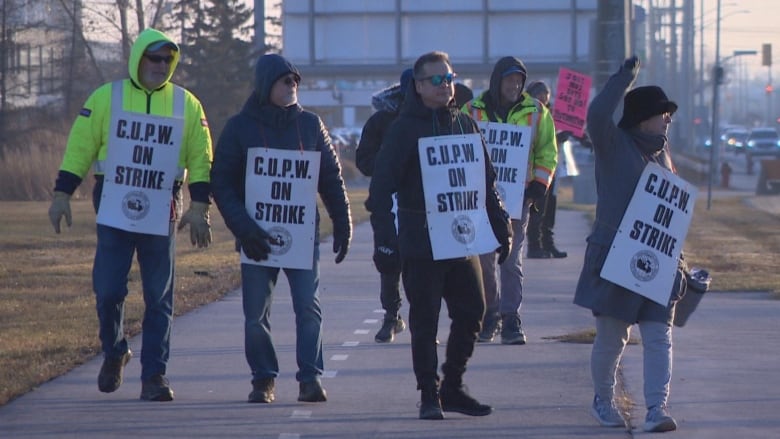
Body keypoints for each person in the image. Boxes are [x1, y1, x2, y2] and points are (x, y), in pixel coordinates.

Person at [47, 28, 213, 402]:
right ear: (138, 58)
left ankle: (154, 375)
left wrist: (201, 205)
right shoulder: (107, 97)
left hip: (164, 204)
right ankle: (115, 348)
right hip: (113, 200)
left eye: (167, 59)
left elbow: (201, 157)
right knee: (108, 289)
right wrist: (62, 193)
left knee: (159, 296)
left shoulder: (186, 104)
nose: (160, 65)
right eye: (153, 58)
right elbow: (80, 146)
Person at [366, 50, 512, 420]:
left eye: (449, 78)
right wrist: (384, 239)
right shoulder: (404, 129)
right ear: (418, 86)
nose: (446, 85)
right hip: (421, 241)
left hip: (462, 241)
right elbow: (380, 189)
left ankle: (453, 386)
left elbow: (486, 182)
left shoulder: (466, 125)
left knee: (473, 311)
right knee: (425, 320)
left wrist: (501, 225)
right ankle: (429, 393)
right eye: (436, 79)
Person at [210, 53, 352, 404]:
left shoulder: (310, 125)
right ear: (265, 84)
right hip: (256, 236)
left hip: (301, 236)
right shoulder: (239, 127)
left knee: (308, 306)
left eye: (295, 81)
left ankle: (310, 378)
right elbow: (222, 183)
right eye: (284, 80)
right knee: (256, 314)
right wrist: (244, 230)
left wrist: (343, 221)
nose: (292, 87)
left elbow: (331, 179)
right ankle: (263, 379)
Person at [575, 56, 682, 433]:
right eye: (661, 112)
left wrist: (680, 262)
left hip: (658, 260)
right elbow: (596, 115)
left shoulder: (664, 154)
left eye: (669, 112)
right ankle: (603, 400)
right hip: (614, 256)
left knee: (658, 336)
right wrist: (624, 78)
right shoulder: (613, 143)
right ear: (640, 117)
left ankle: (657, 409)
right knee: (613, 337)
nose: (667, 118)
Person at [462, 57, 558, 344]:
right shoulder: (471, 112)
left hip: (518, 200)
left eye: (519, 81)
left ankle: (511, 318)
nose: (515, 86)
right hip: (480, 201)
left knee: (511, 260)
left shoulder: (537, 112)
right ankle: (489, 316)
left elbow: (547, 152)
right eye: (509, 80)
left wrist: (539, 186)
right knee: (484, 261)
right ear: (497, 81)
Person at [355, 68, 413, 343]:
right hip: (386, 202)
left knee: (423, 263)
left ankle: (425, 320)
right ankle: (392, 316)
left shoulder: (439, 119)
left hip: (424, 205)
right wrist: (390, 161)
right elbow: (363, 160)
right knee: (388, 259)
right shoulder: (381, 122)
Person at [525, 80, 575, 259]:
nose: (543, 96)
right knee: (537, 209)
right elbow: (538, 138)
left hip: (554, 168)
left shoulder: (554, 113)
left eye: (545, 93)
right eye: (538, 93)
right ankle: (534, 246)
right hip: (535, 169)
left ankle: (548, 244)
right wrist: (557, 138)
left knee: (549, 209)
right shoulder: (529, 113)